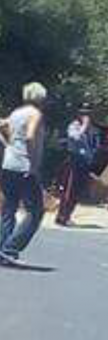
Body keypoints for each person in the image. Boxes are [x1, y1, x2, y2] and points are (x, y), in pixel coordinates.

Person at [0, 82, 48, 265]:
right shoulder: (35, 114)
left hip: (9, 163)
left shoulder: (16, 113)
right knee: (36, 210)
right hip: (23, 166)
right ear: (40, 98)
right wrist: (33, 163)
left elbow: (3, 126)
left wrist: (9, 145)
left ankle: (2, 248)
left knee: (8, 209)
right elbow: (30, 136)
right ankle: (10, 249)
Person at [57, 104, 100, 226]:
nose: (86, 116)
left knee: (77, 191)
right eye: (83, 113)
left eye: (88, 113)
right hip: (74, 160)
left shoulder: (92, 129)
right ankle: (62, 217)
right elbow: (74, 137)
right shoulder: (74, 125)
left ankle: (68, 215)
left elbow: (93, 145)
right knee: (69, 190)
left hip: (84, 162)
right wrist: (84, 127)